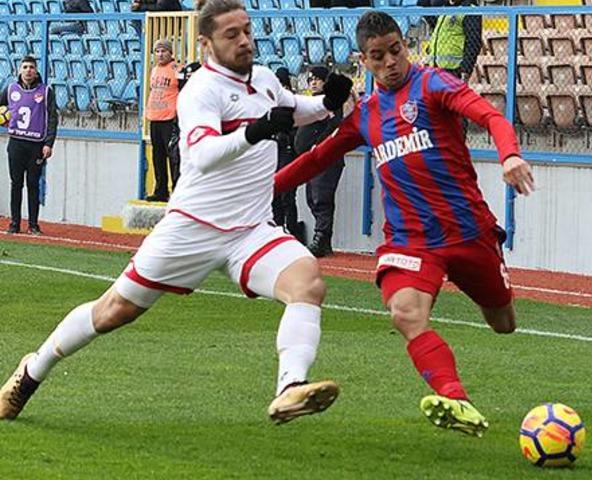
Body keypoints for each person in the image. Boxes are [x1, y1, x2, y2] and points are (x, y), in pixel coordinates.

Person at [0, 0, 354, 424]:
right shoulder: (200, 91)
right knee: (114, 310)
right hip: (193, 227)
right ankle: (31, 371)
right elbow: (203, 154)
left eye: (246, 30)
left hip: (250, 230)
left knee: (308, 283)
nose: (244, 41)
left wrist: (327, 101)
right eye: (231, 34)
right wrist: (256, 131)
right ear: (205, 43)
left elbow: (292, 110)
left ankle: (290, 387)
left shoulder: (262, 79)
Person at [273, 11, 534, 437]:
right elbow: (318, 157)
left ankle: (478, 324)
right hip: (411, 241)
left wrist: (510, 154)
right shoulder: (366, 115)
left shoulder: (433, 85)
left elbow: (492, 116)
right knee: (405, 313)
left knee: (503, 322)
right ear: (364, 60)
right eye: (379, 56)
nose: (390, 61)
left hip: (469, 232)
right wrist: (264, 188)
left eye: (396, 50)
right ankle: (456, 400)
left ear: (405, 46)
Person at [0, 56, 59, 236]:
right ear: (19, 70)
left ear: (36, 70)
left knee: (33, 184)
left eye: (31, 67)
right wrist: (4, 120)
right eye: (25, 67)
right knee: (15, 184)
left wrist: (49, 143)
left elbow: (52, 119)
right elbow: (1, 107)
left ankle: (33, 225)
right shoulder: (10, 89)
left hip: (36, 145)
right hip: (16, 143)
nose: (28, 70)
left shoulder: (46, 91)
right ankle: (14, 223)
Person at [294, 65, 344, 258]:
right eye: (310, 79)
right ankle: (322, 239)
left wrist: (318, 145)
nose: (313, 82)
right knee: (311, 198)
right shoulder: (311, 101)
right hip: (310, 160)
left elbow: (334, 125)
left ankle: (321, 238)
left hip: (325, 158)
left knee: (321, 198)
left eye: (317, 79)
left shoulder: (330, 101)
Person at [272, 67, 305, 245]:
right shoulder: (272, 102)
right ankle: (276, 229)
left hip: (287, 152)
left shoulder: (292, 103)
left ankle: (291, 229)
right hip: (275, 153)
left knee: (287, 195)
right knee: (275, 195)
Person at [145, 39, 180, 202]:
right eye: (157, 51)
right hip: (155, 117)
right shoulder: (154, 70)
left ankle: (177, 190)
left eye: (163, 51)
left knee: (173, 156)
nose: (160, 54)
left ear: (170, 53)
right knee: (157, 156)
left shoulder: (176, 69)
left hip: (169, 118)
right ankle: (160, 190)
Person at [423, 0, 482, 81]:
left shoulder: (469, 9)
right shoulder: (445, 8)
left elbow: (473, 41)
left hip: (453, 70)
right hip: (434, 67)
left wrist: (466, 69)